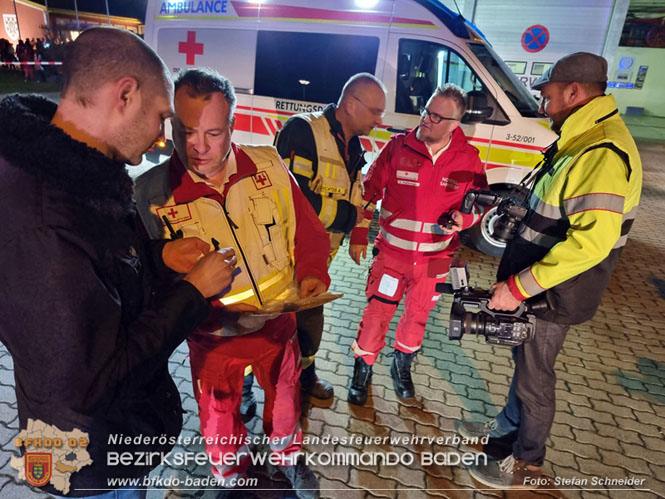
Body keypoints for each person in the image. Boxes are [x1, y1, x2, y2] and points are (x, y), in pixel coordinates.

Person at [0, 27, 235, 498]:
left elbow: (98, 277)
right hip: (92, 464)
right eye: (161, 117)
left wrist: (157, 254)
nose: (165, 139)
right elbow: (93, 382)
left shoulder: (72, 172)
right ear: (125, 95)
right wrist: (192, 293)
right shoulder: (48, 221)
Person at [134, 68, 330, 499]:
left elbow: (308, 230)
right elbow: (139, 278)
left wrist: (313, 272)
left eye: (213, 133)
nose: (197, 147)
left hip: (277, 327)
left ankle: (285, 458)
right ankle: (230, 477)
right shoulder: (150, 194)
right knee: (218, 416)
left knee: (284, 403)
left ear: (234, 127)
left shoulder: (270, 165)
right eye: (185, 131)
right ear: (169, 124)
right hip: (210, 338)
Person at [456, 52, 643, 489]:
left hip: (556, 291)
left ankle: (527, 465)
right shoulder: (584, 136)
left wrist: (519, 288)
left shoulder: (601, 153)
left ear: (574, 92)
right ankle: (506, 431)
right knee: (526, 365)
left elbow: (590, 242)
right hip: (545, 284)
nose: (544, 104)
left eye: (549, 94)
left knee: (536, 376)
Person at [347, 83, 489, 405]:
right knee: (375, 315)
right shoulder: (398, 148)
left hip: (437, 260)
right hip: (392, 255)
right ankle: (363, 368)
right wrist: (358, 235)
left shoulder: (469, 159)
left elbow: (482, 205)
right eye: (427, 111)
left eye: (437, 117)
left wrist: (464, 220)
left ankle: (402, 366)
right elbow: (368, 194)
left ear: (455, 124)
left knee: (418, 316)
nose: (426, 120)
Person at [265, 72, 387, 401]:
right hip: (282, 253)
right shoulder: (303, 131)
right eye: (376, 111)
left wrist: (360, 231)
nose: (381, 119)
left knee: (309, 321)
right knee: (266, 322)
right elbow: (296, 199)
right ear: (350, 104)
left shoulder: (355, 146)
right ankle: (249, 386)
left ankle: (305, 376)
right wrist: (348, 219)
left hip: (318, 260)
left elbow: (357, 194)